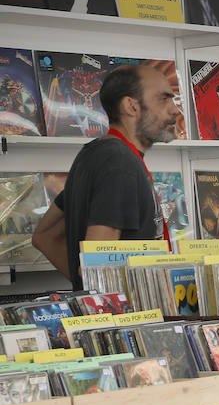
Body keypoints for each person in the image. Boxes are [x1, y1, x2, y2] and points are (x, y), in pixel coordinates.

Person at [31, 64, 179, 286]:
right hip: (126, 319)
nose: (174, 110)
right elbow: (98, 265)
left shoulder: (94, 152)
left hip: (113, 316)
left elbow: (45, 236)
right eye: (163, 99)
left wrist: (84, 290)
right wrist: (114, 301)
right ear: (131, 106)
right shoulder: (120, 162)